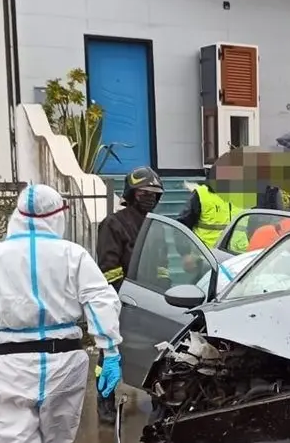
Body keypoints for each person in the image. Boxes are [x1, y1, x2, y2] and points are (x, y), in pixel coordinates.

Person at [0, 184, 123, 443]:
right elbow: (100, 298)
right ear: (59, 215)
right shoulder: (73, 255)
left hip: (9, 365)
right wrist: (110, 349)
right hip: (65, 362)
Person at [93, 166, 164, 423]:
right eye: (145, 193)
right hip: (120, 301)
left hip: (152, 302)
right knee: (109, 355)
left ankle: (159, 400)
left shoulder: (157, 226)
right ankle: (105, 403)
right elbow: (108, 268)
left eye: (155, 194)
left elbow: (162, 266)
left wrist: (162, 293)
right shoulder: (113, 224)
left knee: (158, 355)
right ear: (132, 194)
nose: (151, 198)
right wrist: (125, 296)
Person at [177, 165, 280, 248]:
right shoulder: (203, 194)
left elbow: (258, 224)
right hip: (207, 256)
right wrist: (186, 253)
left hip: (238, 256)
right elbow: (182, 226)